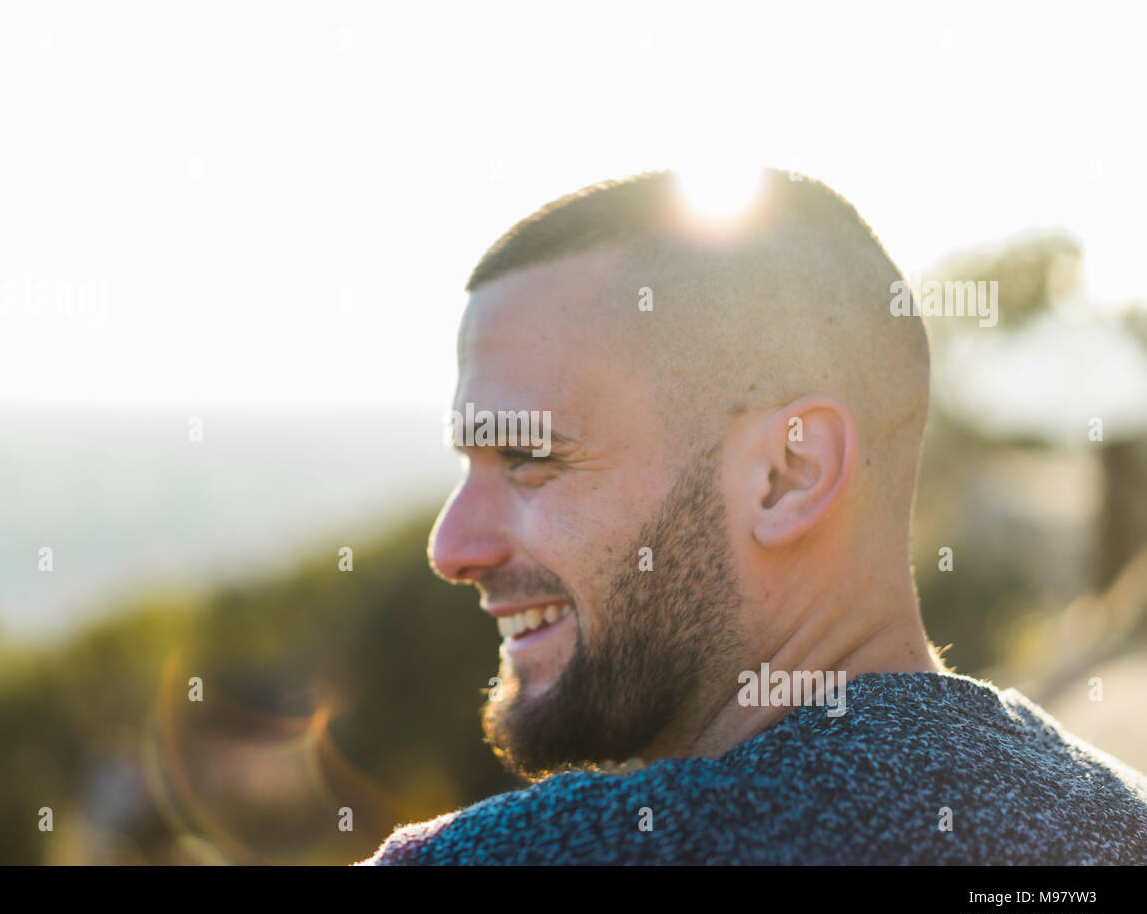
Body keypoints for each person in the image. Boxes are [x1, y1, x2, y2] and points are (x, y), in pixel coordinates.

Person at [359, 169, 1147, 864]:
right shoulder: (1122, 820)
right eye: (469, 464)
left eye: (531, 459)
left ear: (788, 475)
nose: (451, 547)